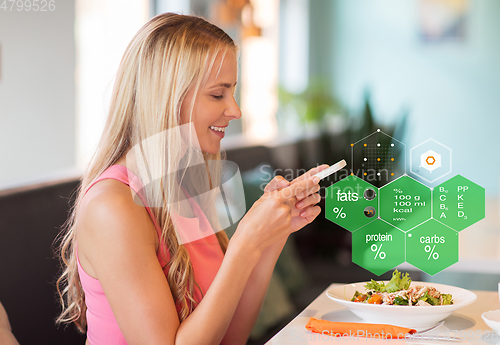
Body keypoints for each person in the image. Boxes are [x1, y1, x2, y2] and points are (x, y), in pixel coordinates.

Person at [56, 13, 327, 345]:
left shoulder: (182, 186)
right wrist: (244, 241)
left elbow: (230, 336)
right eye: (218, 95)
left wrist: (270, 238)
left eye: (233, 92)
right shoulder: (112, 206)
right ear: (168, 98)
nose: (235, 110)